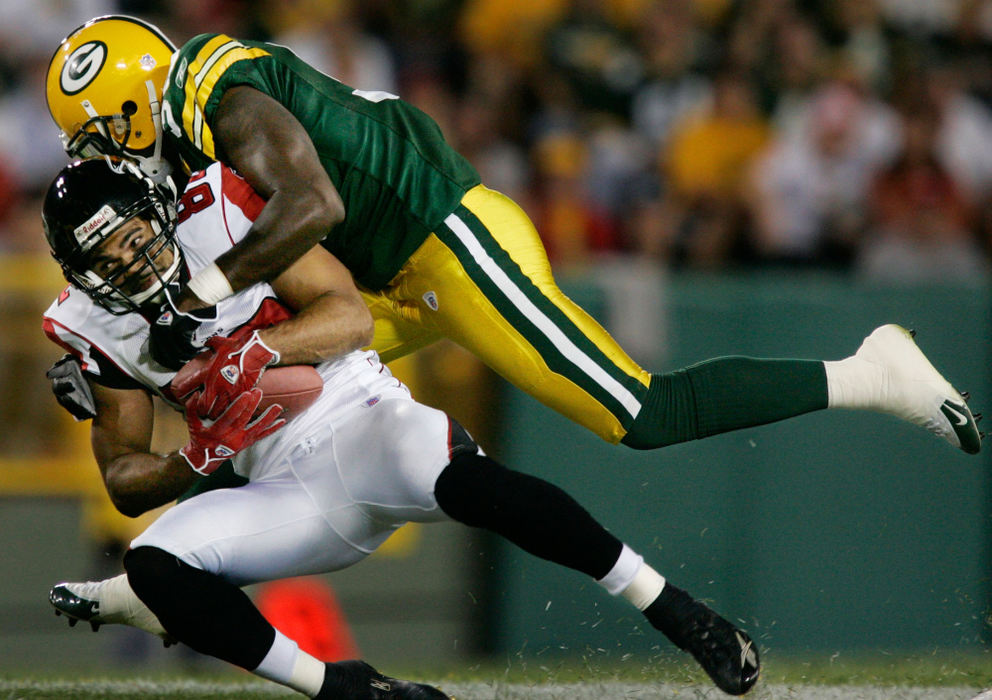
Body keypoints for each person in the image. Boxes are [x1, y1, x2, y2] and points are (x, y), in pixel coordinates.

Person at [44, 15, 982, 457]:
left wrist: (204, 293)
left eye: (94, 128)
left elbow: (314, 207)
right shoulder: (194, 111)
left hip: (445, 242)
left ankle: (870, 372)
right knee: (244, 394)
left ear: (126, 98)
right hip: (391, 267)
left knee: (641, 415)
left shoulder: (224, 98)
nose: (95, 153)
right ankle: (164, 587)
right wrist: (104, 358)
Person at [40, 156, 761, 698]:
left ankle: (674, 610)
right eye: (108, 262)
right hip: (281, 487)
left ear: (159, 209)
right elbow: (125, 478)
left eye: (135, 239)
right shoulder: (90, 326)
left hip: (357, 415)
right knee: (155, 564)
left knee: (477, 487)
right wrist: (196, 458)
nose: (133, 264)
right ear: (82, 276)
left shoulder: (219, 213)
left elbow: (348, 314)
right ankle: (347, 689)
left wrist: (253, 353)